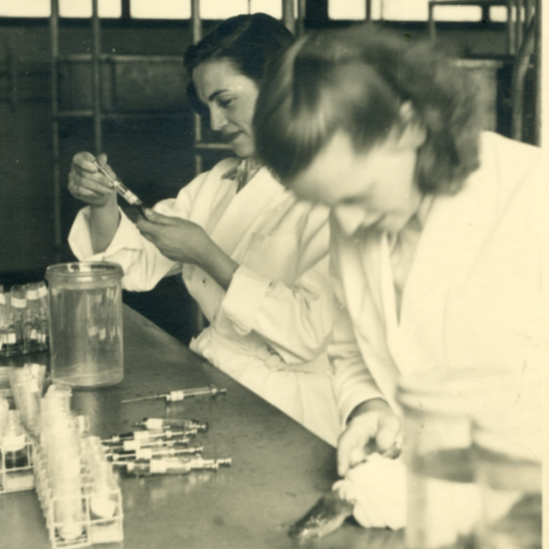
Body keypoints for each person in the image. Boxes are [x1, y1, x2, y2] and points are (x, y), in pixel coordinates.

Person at [254, 25, 546, 475]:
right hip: (423, 498)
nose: (345, 223)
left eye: (355, 195)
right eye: (328, 204)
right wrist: (369, 407)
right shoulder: (357, 215)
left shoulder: (530, 199)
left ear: (408, 127)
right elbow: (351, 350)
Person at [66, 14, 340, 446]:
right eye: (206, 106)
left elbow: (310, 334)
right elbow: (134, 265)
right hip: (221, 380)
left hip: (297, 413)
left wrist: (208, 255)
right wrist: (104, 203)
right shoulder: (220, 182)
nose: (213, 123)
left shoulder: (335, 186)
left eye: (226, 101)